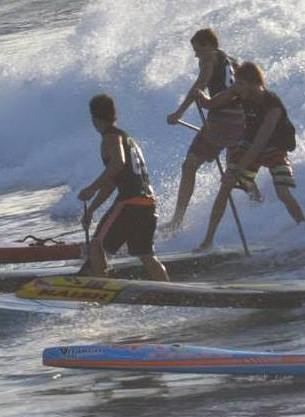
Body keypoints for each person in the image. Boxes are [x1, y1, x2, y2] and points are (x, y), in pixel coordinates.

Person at [195, 61, 305, 251]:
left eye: (240, 84)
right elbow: (211, 103)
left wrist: (238, 168)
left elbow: (260, 144)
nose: (236, 88)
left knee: (282, 192)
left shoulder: (272, 105)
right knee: (226, 185)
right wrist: (200, 96)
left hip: (274, 147)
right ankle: (208, 241)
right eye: (236, 83)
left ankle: (304, 226)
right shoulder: (239, 92)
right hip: (250, 143)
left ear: (254, 84)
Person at [163, 27, 257, 232]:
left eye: (198, 50)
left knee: (189, 165)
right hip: (240, 122)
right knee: (237, 172)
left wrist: (178, 113)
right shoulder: (233, 61)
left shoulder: (209, 58)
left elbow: (200, 84)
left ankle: (176, 221)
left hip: (221, 122)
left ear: (210, 45)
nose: (197, 55)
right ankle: (260, 207)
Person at [76, 93, 168, 281]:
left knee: (96, 246)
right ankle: (170, 291)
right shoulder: (128, 138)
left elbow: (117, 164)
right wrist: (91, 209)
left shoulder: (109, 138)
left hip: (130, 203)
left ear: (94, 118)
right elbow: (111, 183)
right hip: (148, 203)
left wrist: (91, 189)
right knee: (146, 255)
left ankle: (101, 290)